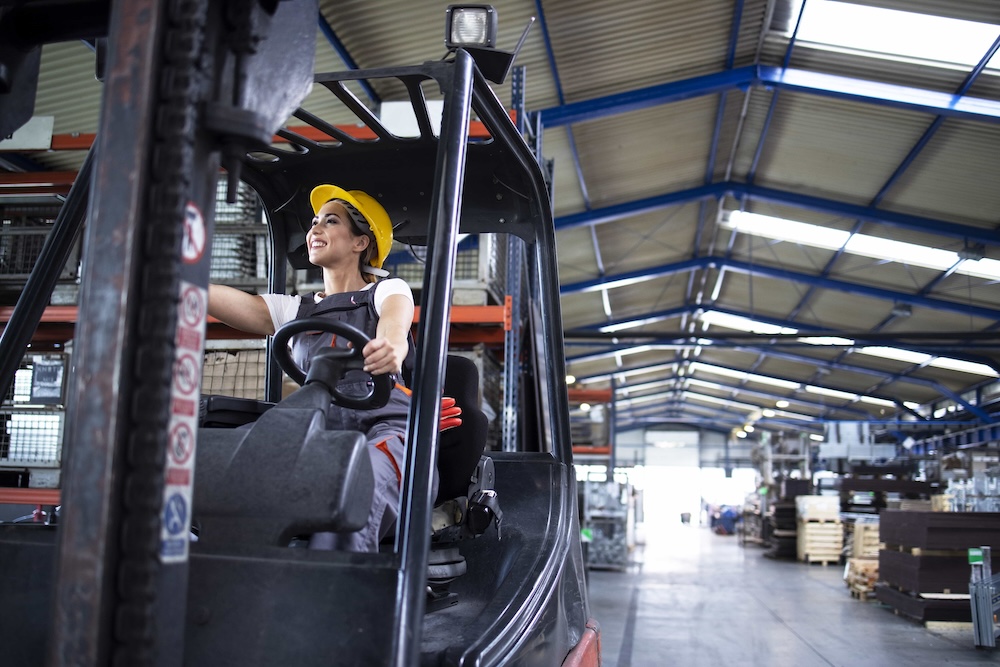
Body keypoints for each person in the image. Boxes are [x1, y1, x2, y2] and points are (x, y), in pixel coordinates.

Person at [208, 184, 416, 552]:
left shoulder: (384, 291)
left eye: (330, 221)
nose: (315, 228)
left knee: (353, 487)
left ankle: (334, 594)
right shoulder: (296, 310)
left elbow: (396, 319)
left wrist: (392, 345)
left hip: (384, 428)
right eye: (315, 221)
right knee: (222, 467)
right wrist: (178, 277)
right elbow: (235, 304)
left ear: (360, 242)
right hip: (317, 429)